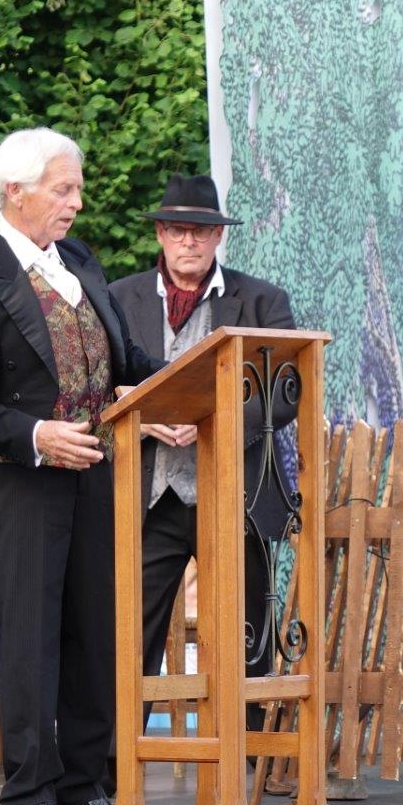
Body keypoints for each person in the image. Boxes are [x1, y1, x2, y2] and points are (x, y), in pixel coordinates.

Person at [0, 128, 163, 805]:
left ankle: (86, 783)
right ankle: (31, 793)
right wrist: (36, 434)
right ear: (16, 192)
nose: (77, 203)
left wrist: (169, 399)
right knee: (30, 637)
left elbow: (125, 357)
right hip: (22, 484)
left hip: (96, 476)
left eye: (77, 187)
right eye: (64, 189)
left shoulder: (80, 263)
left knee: (96, 632)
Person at [107, 173, 297, 728]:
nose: (187, 242)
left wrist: (214, 418)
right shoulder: (120, 300)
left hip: (236, 493)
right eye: (176, 230)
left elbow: (287, 391)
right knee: (131, 628)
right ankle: (116, 759)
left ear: (218, 239)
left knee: (247, 629)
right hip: (150, 495)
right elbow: (97, 387)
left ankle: (253, 756)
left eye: (200, 231)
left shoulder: (262, 300)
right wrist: (139, 415)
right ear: (160, 236)